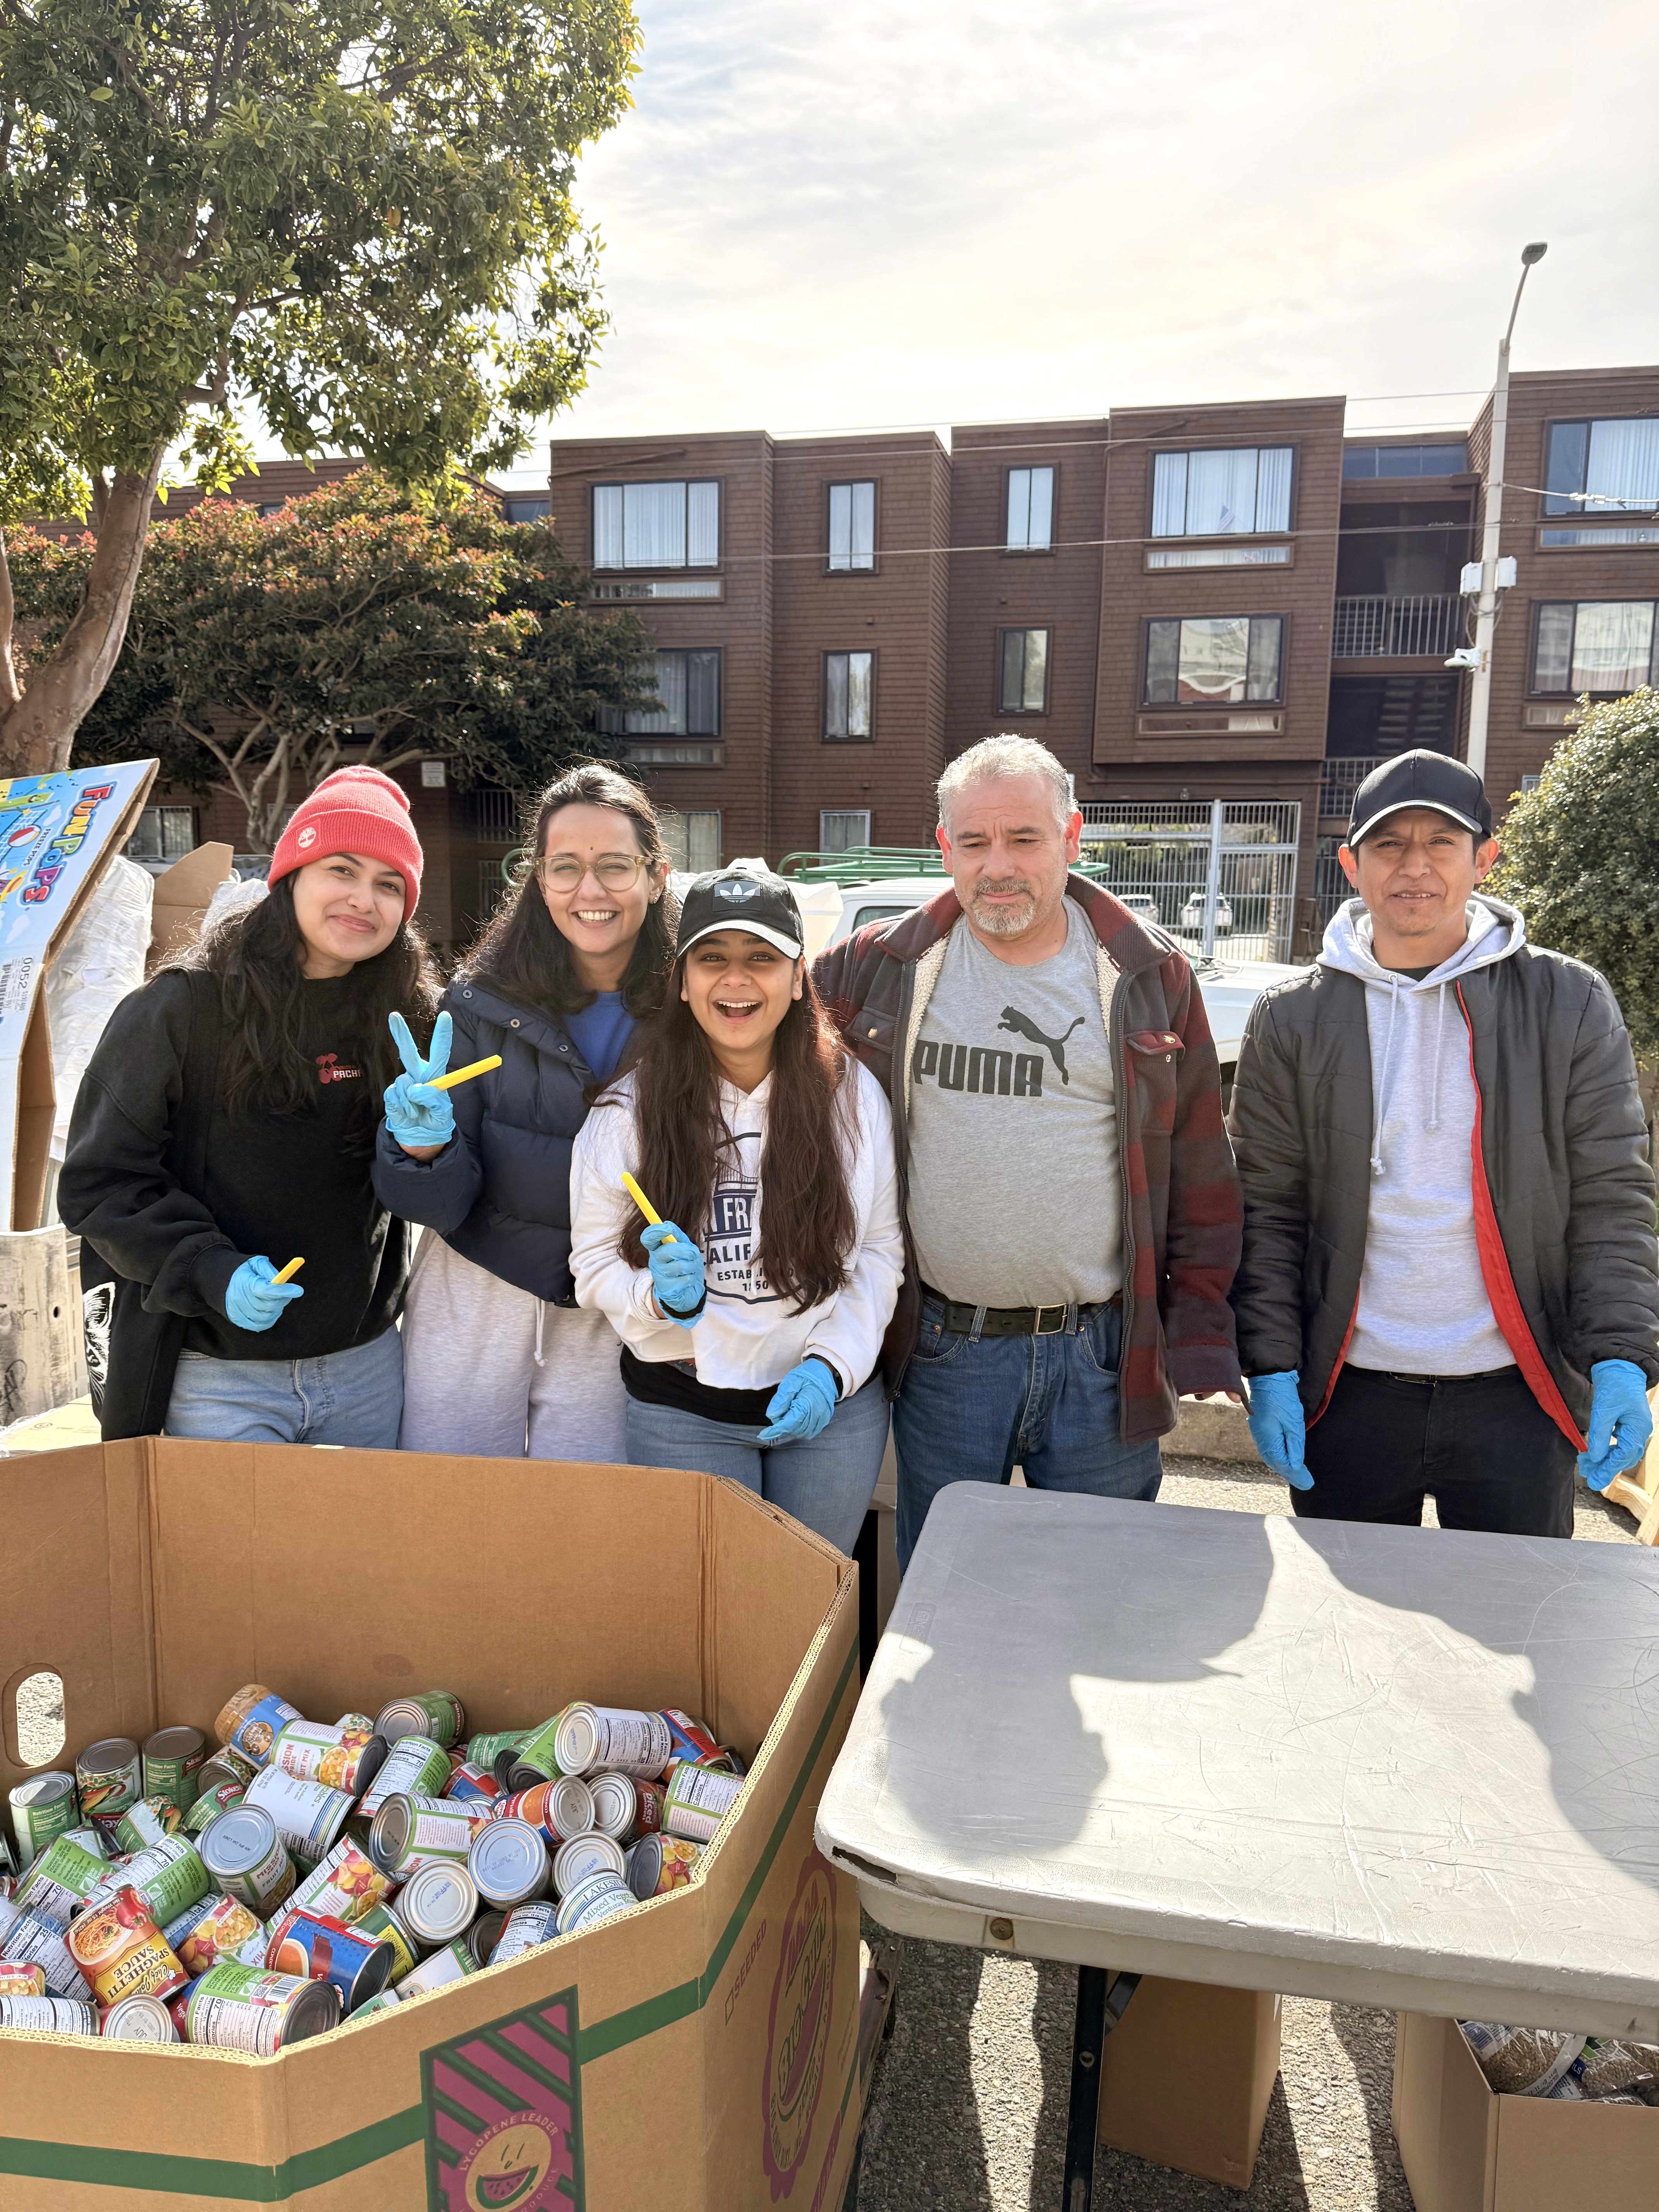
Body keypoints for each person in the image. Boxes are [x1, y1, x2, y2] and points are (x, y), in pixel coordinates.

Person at [813, 733, 1243, 1573]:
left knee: (1099, 1594)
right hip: (943, 1354)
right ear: (945, 848)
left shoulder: (1148, 975)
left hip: (1102, 1357)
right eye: (974, 843)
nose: (997, 866)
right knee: (948, 1594)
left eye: (1024, 839)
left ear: (1073, 837)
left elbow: (1199, 1175)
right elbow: (743, 1034)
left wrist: (1200, 1334)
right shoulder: (877, 970)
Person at [1229, 748, 1659, 1535]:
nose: (1414, 867)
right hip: (1348, 1392)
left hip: (1516, 1391)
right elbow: (1267, 1208)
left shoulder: (1567, 1003)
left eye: (1441, 844)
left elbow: (1611, 1197)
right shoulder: (1292, 1018)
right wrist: (1274, 1367)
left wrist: (1622, 1357)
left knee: (1515, 1632)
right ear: (1352, 863)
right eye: (1390, 845)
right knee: (1348, 1639)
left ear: (1484, 859)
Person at [59, 766, 438, 1444]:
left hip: (366, 1367)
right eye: (342, 870)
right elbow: (101, 1186)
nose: (364, 899)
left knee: (354, 1555)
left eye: (390, 885)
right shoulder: (180, 1009)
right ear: (292, 874)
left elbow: (428, 1195)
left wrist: (429, 1148)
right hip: (212, 1376)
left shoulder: (408, 1021)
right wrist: (209, 1268)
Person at [568, 865, 903, 1553]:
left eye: (762, 959)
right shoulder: (627, 1111)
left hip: (831, 1405)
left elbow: (879, 1249)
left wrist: (833, 1366)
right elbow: (592, 1263)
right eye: (712, 959)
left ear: (797, 977)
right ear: (683, 982)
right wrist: (656, 1299)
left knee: (811, 1610)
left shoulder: (853, 1095)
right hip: (684, 1410)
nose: (737, 980)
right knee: (713, 1621)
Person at [373, 763, 673, 1460]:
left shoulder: (694, 1008)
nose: (589, 890)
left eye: (615, 866)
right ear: (539, 880)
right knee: (455, 1516)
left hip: (612, 1300)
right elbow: (436, 1204)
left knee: (586, 1528)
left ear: (656, 876)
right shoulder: (480, 1006)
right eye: (565, 867)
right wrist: (423, 1151)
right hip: (476, 1290)